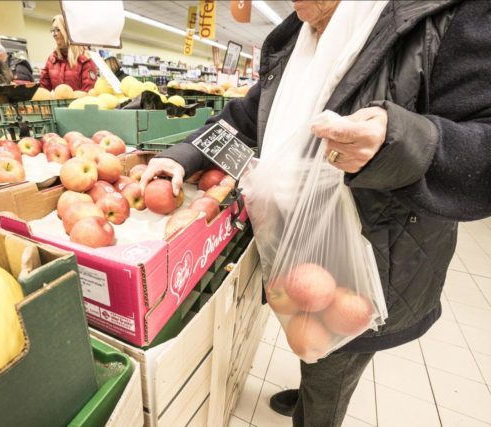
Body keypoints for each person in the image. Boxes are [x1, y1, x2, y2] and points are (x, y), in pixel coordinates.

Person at [140, 1, 491, 426]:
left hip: (376, 255)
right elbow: (247, 117)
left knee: (337, 360)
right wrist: (184, 154)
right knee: (310, 336)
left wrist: (401, 141)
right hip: (293, 243)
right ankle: (310, 387)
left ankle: (315, 411)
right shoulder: (295, 38)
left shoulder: (451, 16)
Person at [39, 15, 97, 92]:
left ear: (68, 32)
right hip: (57, 104)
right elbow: (43, 89)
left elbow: (88, 93)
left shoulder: (85, 59)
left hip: (78, 104)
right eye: (53, 30)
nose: (54, 34)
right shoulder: (52, 59)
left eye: (58, 30)